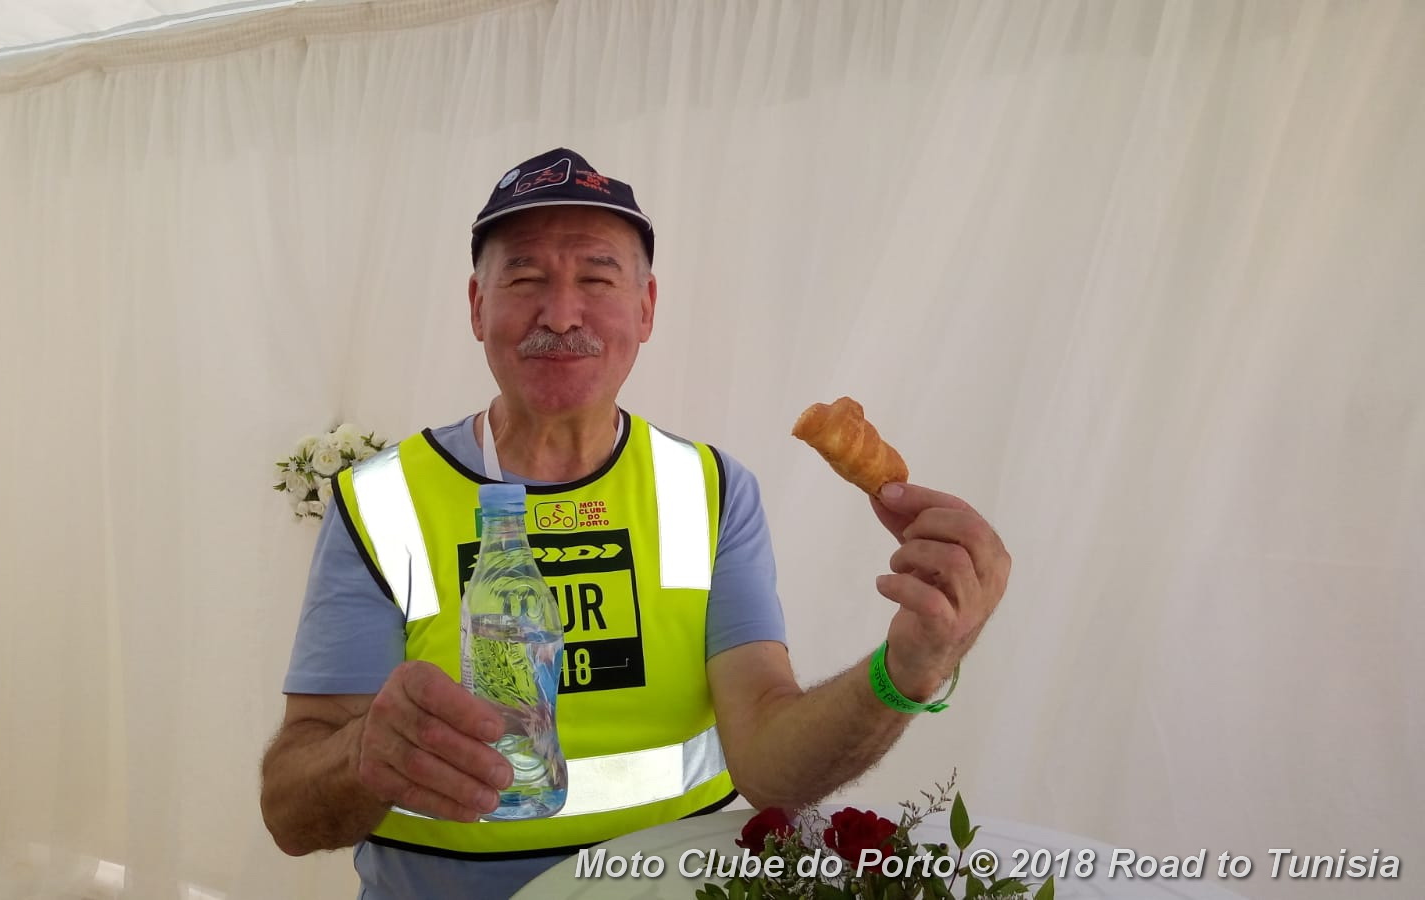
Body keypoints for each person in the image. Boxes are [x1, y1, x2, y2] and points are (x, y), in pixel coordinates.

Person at [258, 148, 1010, 899]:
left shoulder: (710, 491)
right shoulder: (383, 501)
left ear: (646, 307)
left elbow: (770, 765)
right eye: (524, 277)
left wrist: (903, 673)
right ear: (476, 305)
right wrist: (362, 754)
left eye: (597, 278)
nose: (561, 314)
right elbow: (290, 814)